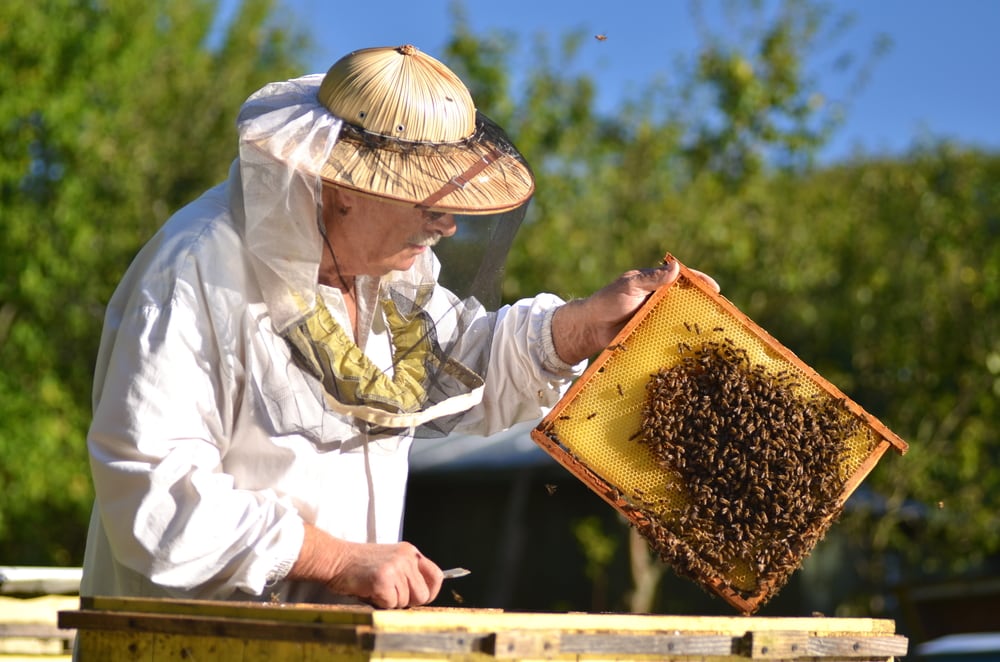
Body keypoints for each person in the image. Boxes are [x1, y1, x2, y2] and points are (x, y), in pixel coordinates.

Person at [80, 44, 716, 609]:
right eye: (427, 199)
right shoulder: (198, 267)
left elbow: (455, 367)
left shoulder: (387, 272)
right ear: (344, 185)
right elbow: (151, 493)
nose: (448, 225)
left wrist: (582, 328)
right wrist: (336, 558)